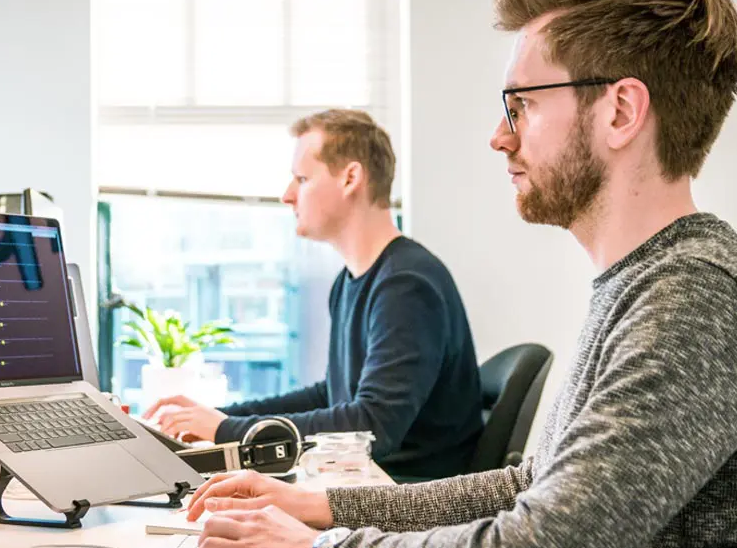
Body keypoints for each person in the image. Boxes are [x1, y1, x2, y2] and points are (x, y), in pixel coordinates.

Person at [182, 0, 737, 548]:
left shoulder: (692, 299)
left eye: (521, 105)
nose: (499, 136)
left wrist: (317, 545)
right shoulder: (645, 283)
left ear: (621, 112)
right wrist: (321, 505)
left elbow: (546, 541)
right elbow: (531, 486)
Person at [143, 109, 485, 480]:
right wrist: (223, 417)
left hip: (405, 497)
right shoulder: (352, 281)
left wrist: (226, 431)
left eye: (302, 179)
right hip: (368, 482)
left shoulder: (406, 286)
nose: (287, 195)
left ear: (350, 178)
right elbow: (332, 396)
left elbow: (372, 428)